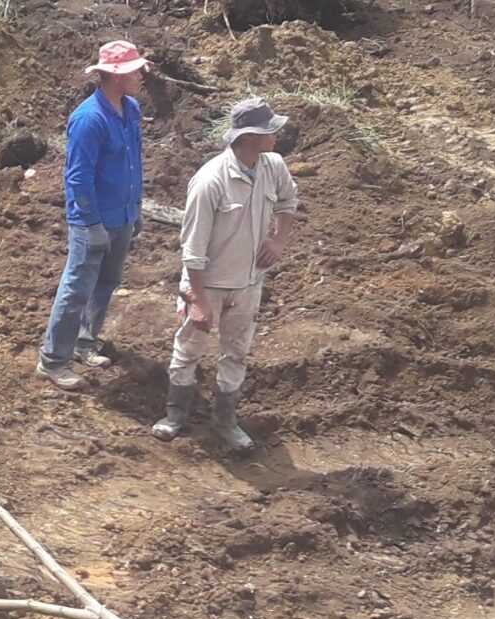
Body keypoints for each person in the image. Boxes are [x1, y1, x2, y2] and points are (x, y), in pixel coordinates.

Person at [154, 95, 300, 453]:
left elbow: (287, 201)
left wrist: (278, 241)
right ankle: (175, 416)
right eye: (269, 131)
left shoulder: (273, 165)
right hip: (209, 284)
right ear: (247, 137)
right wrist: (199, 301)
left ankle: (225, 420)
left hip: (249, 282)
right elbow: (192, 249)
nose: (276, 136)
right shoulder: (210, 181)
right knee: (189, 350)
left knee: (236, 353)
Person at [36, 40, 147, 391]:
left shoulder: (131, 109)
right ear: (114, 76)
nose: (142, 75)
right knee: (77, 287)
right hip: (94, 220)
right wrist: (92, 224)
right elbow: (78, 177)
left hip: (123, 214)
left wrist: (136, 208)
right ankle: (53, 360)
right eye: (134, 70)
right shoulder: (88, 119)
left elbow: (134, 162)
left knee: (107, 281)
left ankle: (85, 342)